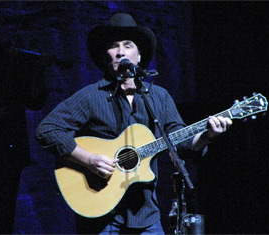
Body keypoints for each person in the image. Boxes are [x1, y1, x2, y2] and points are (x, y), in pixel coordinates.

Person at [35, 13, 232, 234]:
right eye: (113, 46)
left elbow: (179, 141)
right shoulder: (91, 96)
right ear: (106, 56)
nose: (120, 51)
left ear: (138, 56)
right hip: (101, 215)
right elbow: (47, 130)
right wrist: (89, 159)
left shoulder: (158, 96)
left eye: (128, 45)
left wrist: (206, 136)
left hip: (145, 216)